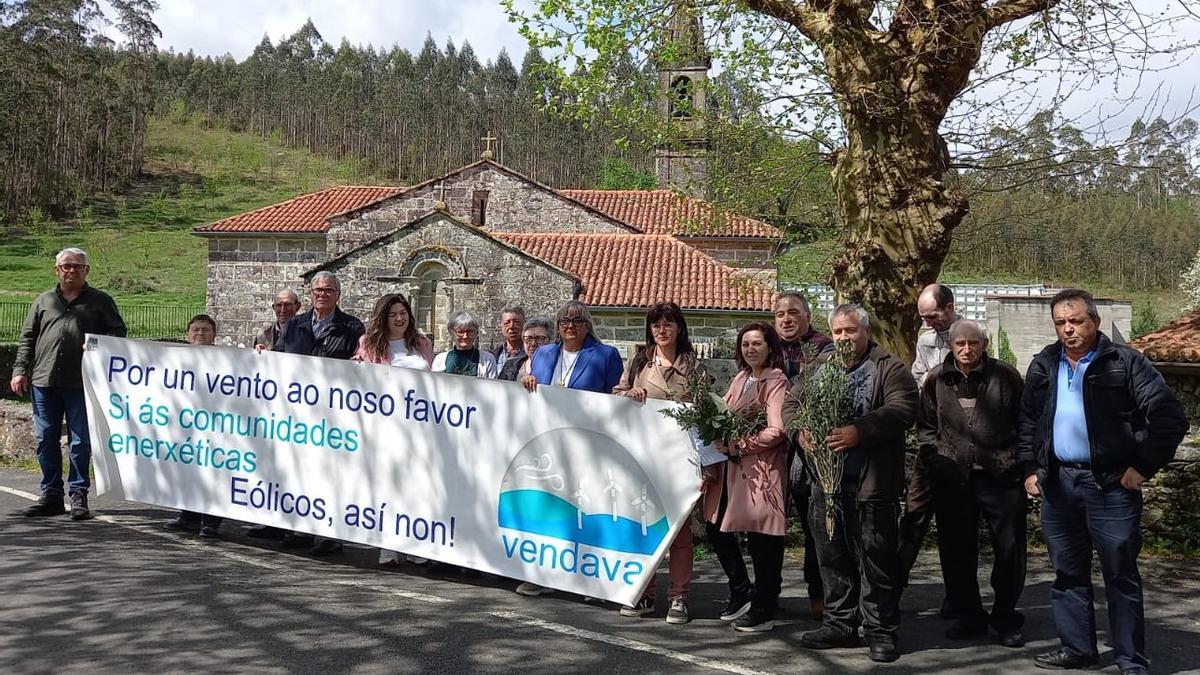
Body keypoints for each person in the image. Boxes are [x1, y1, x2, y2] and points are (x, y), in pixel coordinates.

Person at [1019, 289, 1187, 674]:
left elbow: (1170, 418)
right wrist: (1030, 467)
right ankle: (1078, 650)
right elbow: (1028, 421)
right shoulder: (1045, 364)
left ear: (1094, 320)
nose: (1068, 330)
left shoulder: (1125, 363)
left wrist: (1142, 467)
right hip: (1059, 485)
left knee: (1120, 574)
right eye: (1061, 323)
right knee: (1067, 572)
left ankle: (1130, 659)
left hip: (1110, 486)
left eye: (1076, 320)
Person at [784, 304, 917, 663]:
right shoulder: (820, 367)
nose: (844, 338)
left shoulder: (889, 367)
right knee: (832, 557)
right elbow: (792, 402)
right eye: (838, 332)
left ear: (866, 332)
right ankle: (840, 623)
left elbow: (903, 408)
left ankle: (880, 631)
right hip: (825, 486)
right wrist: (799, 431)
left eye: (851, 331)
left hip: (871, 485)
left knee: (876, 560)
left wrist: (860, 431)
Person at [917, 319, 1027, 647]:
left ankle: (1006, 618)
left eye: (973, 343)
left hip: (1000, 476)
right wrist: (934, 461)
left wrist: (1016, 460)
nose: (967, 350)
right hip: (954, 479)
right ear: (950, 345)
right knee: (956, 552)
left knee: (1009, 551)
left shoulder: (1005, 376)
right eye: (960, 343)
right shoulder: (936, 379)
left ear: (984, 344)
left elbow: (1026, 422)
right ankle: (969, 617)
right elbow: (925, 427)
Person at [516, 300, 624, 597]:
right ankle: (543, 575)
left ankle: (590, 579)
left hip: (588, 446)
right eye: (564, 321)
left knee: (585, 510)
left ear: (587, 325)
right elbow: (532, 388)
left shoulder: (605, 355)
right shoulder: (544, 354)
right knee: (549, 510)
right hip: (549, 444)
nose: (570, 326)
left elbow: (615, 401)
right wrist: (526, 380)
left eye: (577, 321)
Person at [12, 247, 127, 520]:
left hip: (82, 382)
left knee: (80, 442)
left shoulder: (100, 301)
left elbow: (118, 333)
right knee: (45, 439)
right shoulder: (43, 301)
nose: (71, 270)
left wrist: (99, 344)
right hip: (44, 380)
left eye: (77, 266)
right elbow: (28, 337)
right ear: (57, 270)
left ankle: (78, 495)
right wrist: (20, 370)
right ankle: (51, 494)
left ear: (86, 271)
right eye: (66, 266)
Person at [255, 271, 364, 555]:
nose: (322, 294)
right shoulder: (295, 325)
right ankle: (301, 530)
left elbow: (360, 367)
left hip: (334, 416)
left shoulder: (352, 327)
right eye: (317, 289)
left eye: (328, 290)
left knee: (331, 475)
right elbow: (277, 361)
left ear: (337, 295)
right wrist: (263, 355)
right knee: (299, 472)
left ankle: (331, 535)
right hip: (298, 415)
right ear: (311, 294)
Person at [613, 302, 703, 625]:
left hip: (681, 460)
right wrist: (630, 393)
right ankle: (645, 592)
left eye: (667, 324)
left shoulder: (695, 367)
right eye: (655, 325)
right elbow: (617, 400)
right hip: (644, 458)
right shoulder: (639, 362)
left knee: (679, 532)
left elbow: (706, 413)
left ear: (679, 328)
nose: (661, 330)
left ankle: (679, 597)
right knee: (644, 526)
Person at [699, 321, 789, 633]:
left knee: (762, 539)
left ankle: (765, 606)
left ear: (770, 347)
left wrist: (739, 444)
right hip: (732, 470)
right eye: (746, 344)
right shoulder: (741, 378)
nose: (750, 349)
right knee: (716, 528)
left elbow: (777, 429)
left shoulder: (775, 381)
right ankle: (742, 590)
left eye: (757, 344)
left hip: (761, 471)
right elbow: (721, 413)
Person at [353, 293, 434, 566]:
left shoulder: (423, 344)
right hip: (385, 427)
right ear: (383, 317)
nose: (399, 318)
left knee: (415, 484)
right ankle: (387, 545)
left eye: (403, 313)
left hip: (418, 428)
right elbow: (359, 381)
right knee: (387, 484)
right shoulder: (368, 344)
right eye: (393, 314)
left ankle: (413, 543)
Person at [897, 282, 960, 603]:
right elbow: (918, 375)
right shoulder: (925, 340)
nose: (927, 322)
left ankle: (957, 597)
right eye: (923, 317)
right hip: (929, 436)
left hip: (960, 443)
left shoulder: (971, 335)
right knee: (913, 513)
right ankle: (894, 587)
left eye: (932, 316)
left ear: (950, 308)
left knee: (954, 525)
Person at [773, 291, 830, 620]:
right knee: (767, 527)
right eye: (780, 314)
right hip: (769, 450)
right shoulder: (766, 346)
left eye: (794, 313)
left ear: (807, 317)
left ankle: (818, 594)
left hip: (806, 449)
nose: (787, 319)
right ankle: (767, 591)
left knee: (814, 525)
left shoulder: (823, 348)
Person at [163, 315, 227, 538]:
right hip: (186, 426)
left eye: (206, 330)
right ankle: (188, 517)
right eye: (196, 330)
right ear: (187, 334)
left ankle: (210, 521)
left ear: (214, 334)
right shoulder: (177, 358)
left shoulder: (226, 359)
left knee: (213, 474)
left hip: (216, 427)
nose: (200, 334)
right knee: (188, 471)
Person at [432, 312, 499, 378]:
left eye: (470, 332)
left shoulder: (488, 360)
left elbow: (491, 386)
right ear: (451, 333)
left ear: (476, 333)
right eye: (460, 332)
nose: (465, 336)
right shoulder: (440, 359)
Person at [497, 317, 552, 381]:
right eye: (528, 338)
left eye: (539, 338)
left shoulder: (556, 366)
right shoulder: (510, 366)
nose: (533, 343)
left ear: (549, 340)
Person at [491, 305, 526, 371]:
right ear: (501, 326)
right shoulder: (492, 356)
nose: (511, 326)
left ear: (524, 325)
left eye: (516, 322)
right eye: (507, 323)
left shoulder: (531, 355)